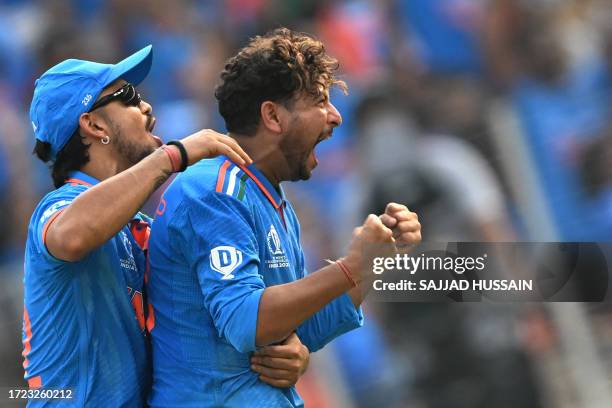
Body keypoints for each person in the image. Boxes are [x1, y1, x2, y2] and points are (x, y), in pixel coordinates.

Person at [146, 28, 422, 407]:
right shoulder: (213, 192)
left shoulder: (270, 198)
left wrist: (370, 265)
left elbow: (300, 328)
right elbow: (247, 322)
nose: (336, 117)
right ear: (272, 115)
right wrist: (349, 266)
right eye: (319, 101)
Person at [23, 45, 257, 407]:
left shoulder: (138, 227)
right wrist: (173, 156)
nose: (147, 106)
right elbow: (72, 236)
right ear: (94, 124)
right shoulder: (58, 209)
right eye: (129, 97)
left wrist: (286, 351)